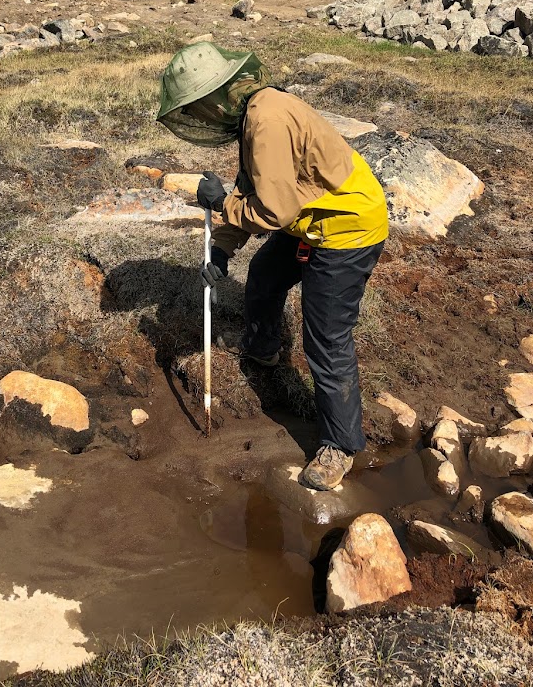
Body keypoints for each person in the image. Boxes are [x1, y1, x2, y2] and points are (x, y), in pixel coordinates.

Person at [157, 42, 388, 491]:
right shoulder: (256, 114)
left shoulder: (266, 119)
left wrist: (220, 202)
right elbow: (255, 191)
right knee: (265, 276)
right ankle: (263, 350)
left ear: (219, 97)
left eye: (200, 109)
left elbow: (273, 212)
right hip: (312, 218)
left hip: (347, 227)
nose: (202, 119)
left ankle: (340, 445)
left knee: (326, 335)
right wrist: (221, 251)